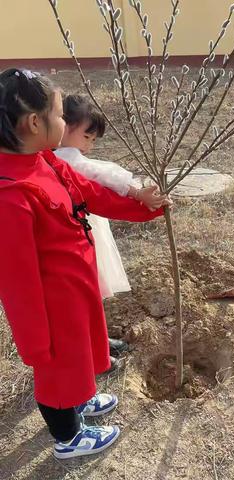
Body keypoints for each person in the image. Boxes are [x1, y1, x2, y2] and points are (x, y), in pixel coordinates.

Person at [0, 68, 170, 459]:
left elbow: (88, 194)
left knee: (78, 356)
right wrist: (35, 342)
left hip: (75, 286)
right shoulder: (10, 196)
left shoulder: (43, 160)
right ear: (33, 122)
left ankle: (78, 399)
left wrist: (143, 207)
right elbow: (17, 281)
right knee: (57, 370)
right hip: (52, 306)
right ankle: (67, 436)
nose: (64, 122)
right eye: (60, 115)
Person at [56, 94, 165, 368]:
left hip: (79, 233)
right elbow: (102, 175)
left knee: (89, 299)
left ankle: (99, 344)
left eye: (93, 140)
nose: (89, 146)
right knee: (86, 300)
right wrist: (137, 191)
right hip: (78, 236)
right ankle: (95, 355)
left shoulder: (58, 155)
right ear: (65, 126)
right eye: (87, 137)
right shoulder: (66, 158)